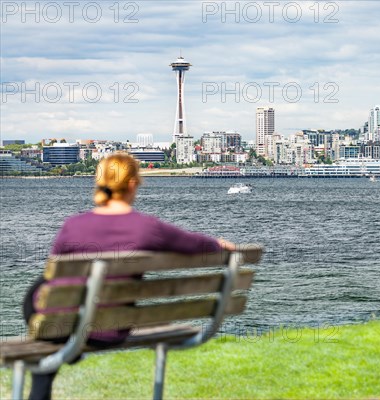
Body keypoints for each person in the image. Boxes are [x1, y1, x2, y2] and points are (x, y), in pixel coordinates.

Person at [26, 152, 235, 400]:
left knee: (41, 288)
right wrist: (217, 243)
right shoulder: (148, 228)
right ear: (133, 184)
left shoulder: (73, 225)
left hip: (62, 326)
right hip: (111, 330)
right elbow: (194, 243)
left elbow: (54, 273)